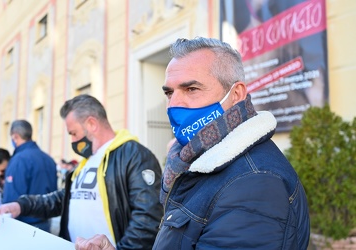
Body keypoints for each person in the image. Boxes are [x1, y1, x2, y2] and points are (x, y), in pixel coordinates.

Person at [74, 37, 310, 250]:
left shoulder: (254, 184)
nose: (174, 105)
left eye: (191, 89)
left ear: (236, 94)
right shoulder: (193, 160)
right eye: (169, 93)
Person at [0, 94, 163, 249]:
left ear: (91, 124)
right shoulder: (85, 163)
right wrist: (21, 205)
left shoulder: (135, 156)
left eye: (73, 133)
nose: (73, 141)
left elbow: (147, 220)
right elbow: (61, 200)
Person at [2, 119, 58, 232]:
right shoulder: (48, 159)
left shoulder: (18, 160)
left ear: (15, 136)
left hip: (24, 227)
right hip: (45, 224)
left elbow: (11, 199)